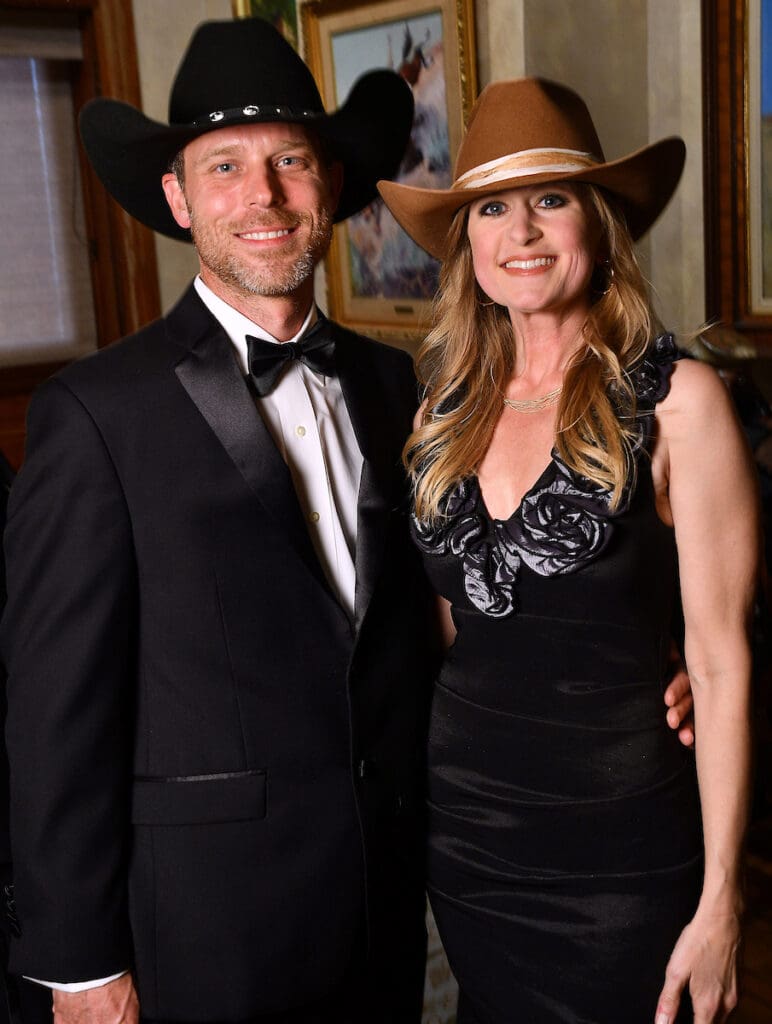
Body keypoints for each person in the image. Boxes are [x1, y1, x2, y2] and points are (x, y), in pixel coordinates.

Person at [0, 19, 433, 1024]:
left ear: (330, 183)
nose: (265, 196)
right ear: (178, 197)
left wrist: (632, 674)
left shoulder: (393, 384)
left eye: (290, 159)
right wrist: (76, 962)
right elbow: (55, 715)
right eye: (226, 166)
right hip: (203, 929)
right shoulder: (96, 414)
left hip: (383, 906)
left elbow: (429, 626)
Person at [378, 78, 758, 1023]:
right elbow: (461, 631)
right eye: (493, 209)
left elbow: (719, 660)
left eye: (551, 199)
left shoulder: (681, 403)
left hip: (623, 847)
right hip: (470, 836)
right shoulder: (440, 413)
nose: (524, 232)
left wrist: (721, 901)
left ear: (598, 223)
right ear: (468, 243)